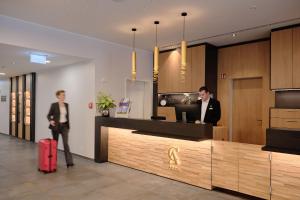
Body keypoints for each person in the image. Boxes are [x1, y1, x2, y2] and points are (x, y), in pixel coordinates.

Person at [47, 90, 74, 168]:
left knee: (66, 144)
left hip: (64, 126)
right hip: (56, 126)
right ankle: (53, 161)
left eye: (64, 95)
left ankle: (69, 162)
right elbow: (49, 115)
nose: (63, 96)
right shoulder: (54, 105)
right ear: (58, 96)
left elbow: (66, 116)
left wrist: (68, 126)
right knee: (55, 145)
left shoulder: (66, 105)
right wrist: (50, 120)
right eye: (62, 95)